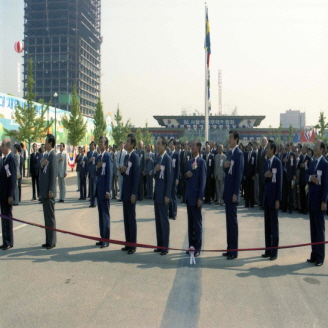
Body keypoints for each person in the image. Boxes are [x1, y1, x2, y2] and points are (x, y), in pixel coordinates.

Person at [306, 140, 328, 266]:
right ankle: (313, 254)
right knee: (313, 230)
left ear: (322, 149)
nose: (314, 148)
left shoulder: (325, 164)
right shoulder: (313, 162)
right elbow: (306, 175)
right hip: (312, 200)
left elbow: (326, 185)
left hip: (320, 202)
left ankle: (320, 257)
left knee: (320, 230)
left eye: (316, 146)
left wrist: (324, 201)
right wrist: (310, 178)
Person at [223, 130, 244, 260]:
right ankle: (229, 248)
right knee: (228, 222)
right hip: (227, 192)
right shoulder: (229, 153)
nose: (228, 139)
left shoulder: (239, 154)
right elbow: (228, 171)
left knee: (233, 222)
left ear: (236, 139)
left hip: (233, 193)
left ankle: (234, 250)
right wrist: (224, 167)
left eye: (230, 137)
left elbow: (238, 176)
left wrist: (236, 193)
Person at [262, 140, 282, 261]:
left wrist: (278, 199)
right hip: (266, 198)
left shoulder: (277, 162)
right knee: (267, 226)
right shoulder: (266, 163)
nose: (266, 149)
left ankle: (274, 252)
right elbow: (262, 180)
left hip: (274, 198)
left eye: (268, 148)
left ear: (273, 150)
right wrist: (265, 176)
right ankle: (268, 250)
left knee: (274, 226)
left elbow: (280, 182)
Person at [185, 140, 206, 257]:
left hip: (196, 197)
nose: (191, 147)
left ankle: (197, 247)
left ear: (198, 148)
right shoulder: (189, 162)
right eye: (191, 145)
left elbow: (202, 181)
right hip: (189, 196)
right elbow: (185, 175)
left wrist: (200, 197)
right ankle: (191, 246)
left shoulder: (202, 162)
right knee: (190, 223)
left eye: (193, 146)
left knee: (197, 224)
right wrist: (186, 175)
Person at [120, 134, 140, 254]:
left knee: (131, 219)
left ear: (132, 144)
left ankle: (133, 245)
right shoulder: (127, 157)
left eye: (128, 142)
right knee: (126, 219)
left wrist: (134, 194)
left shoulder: (135, 157)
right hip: (125, 192)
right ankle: (128, 243)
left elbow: (136, 177)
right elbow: (127, 173)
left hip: (130, 193)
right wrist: (122, 170)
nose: (126, 143)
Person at [153, 136, 173, 255]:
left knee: (164, 221)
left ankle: (165, 246)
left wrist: (167, 195)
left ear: (164, 146)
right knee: (158, 221)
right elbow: (155, 175)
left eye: (159, 144)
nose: (157, 146)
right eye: (157, 144)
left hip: (163, 195)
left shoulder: (167, 159)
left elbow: (169, 179)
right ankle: (159, 245)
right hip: (157, 194)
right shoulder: (158, 158)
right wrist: (155, 170)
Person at [39, 134, 58, 249]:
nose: (44, 144)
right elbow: (42, 170)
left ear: (50, 143)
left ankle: (52, 241)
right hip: (44, 190)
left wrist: (51, 189)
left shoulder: (53, 156)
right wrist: (42, 164)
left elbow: (53, 175)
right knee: (46, 217)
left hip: (49, 191)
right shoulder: (46, 155)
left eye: (46, 142)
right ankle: (48, 240)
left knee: (50, 217)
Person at [95, 136, 112, 248]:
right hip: (99, 189)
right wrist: (97, 167)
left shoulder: (107, 156)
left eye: (102, 143)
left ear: (106, 145)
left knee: (105, 215)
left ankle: (106, 239)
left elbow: (109, 174)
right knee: (100, 215)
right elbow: (95, 172)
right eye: (99, 142)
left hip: (104, 190)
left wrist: (108, 190)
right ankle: (102, 237)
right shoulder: (98, 157)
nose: (100, 144)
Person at [0, 138, 17, 250]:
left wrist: (11, 195)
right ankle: (5, 241)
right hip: (2, 194)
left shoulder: (11, 158)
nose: (1, 147)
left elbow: (13, 178)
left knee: (7, 218)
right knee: (4, 219)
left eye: (2, 145)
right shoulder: (4, 158)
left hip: (7, 195)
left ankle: (9, 241)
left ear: (7, 147)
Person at [282, 142, 296, 214]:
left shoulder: (293, 155)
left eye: (288, 146)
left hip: (290, 176)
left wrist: (294, 175)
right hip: (284, 175)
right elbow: (281, 164)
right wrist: (283, 161)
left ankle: (290, 209)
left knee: (290, 193)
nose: (286, 147)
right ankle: (284, 208)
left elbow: (294, 166)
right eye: (286, 145)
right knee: (284, 192)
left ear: (290, 146)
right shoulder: (284, 155)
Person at [298, 145, 312, 215]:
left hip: (306, 179)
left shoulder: (308, 158)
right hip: (301, 178)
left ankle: (306, 209)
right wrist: (300, 164)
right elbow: (297, 166)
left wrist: (305, 166)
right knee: (301, 194)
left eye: (303, 149)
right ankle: (302, 208)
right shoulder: (301, 157)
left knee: (306, 195)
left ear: (306, 150)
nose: (302, 150)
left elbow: (310, 168)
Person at [169, 139, 180, 220]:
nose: (170, 145)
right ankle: (170, 213)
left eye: (171, 144)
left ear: (174, 145)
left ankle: (174, 213)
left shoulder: (176, 154)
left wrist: (177, 178)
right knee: (169, 196)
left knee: (174, 196)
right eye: (169, 144)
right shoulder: (168, 154)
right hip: (169, 178)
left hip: (174, 178)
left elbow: (178, 167)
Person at [243, 142, 256, 208]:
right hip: (246, 175)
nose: (249, 147)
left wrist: (254, 174)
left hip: (252, 175)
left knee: (252, 190)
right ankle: (247, 203)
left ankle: (252, 203)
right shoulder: (245, 154)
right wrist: (244, 174)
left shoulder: (254, 154)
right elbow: (244, 165)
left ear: (252, 147)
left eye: (251, 146)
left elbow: (255, 165)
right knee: (246, 189)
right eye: (249, 146)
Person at [257, 137, 268, 209]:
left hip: (265, 172)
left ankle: (265, 204)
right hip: (260, 171)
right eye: (262, 141)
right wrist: (257, 171)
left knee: (265, 188)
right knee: (260, 188)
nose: (263, 142)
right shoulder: (260, 150)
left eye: (264, 141)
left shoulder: (268, 150)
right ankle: (261, 202)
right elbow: (258, 162)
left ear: (266, 142)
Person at [88, 141, 98, 208]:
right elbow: (87, 163)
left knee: (94, 188)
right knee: (91, 189)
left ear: (94, 146)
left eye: (92, 145)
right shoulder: (89, 153)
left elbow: (97, 163)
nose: (91, 146)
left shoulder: (96, 153)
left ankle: (94, 202)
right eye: (90, 145)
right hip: (90, 172)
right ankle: (91, 202)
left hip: (94, 173)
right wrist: (89, 160)